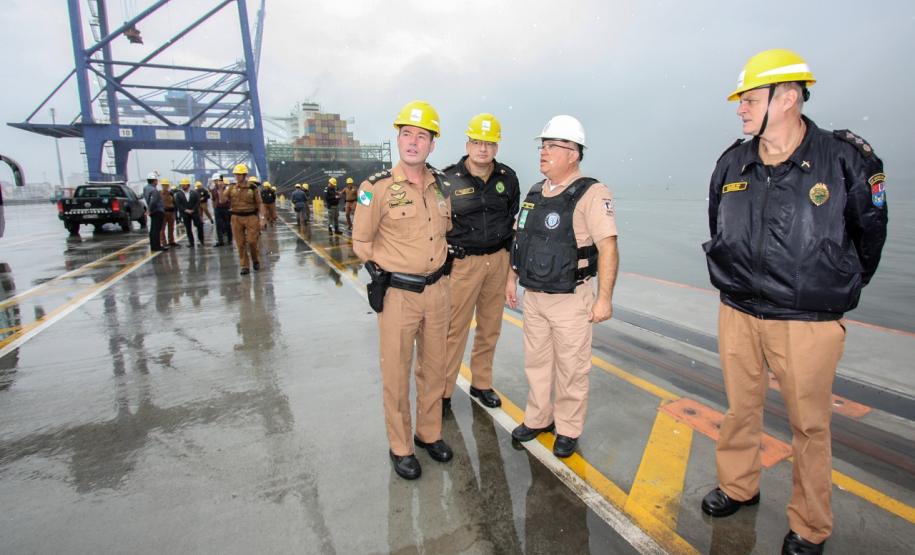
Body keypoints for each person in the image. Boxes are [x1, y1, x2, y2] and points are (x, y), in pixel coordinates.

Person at [700, 49, 888, 555]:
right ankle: (739, 485)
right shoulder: (732, 161)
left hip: (806, 320)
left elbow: (870, 232)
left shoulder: (845, 159)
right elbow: (719, 223)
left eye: (749, 99)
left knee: (809, 425)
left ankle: (809, 524)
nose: (739, 109)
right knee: (741, 409)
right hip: (739, 311)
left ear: (787, 98)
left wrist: (836, 283)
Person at [505, 115, 619, 459]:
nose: (544, 152)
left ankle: (568, 428)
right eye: (543, 145)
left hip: (571, 298)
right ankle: (539, 418)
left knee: (572, 368)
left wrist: (604, 299)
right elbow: (520, 237)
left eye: (553, 146)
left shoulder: (592, 193)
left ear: (574, 153)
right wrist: (511, 277)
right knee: (536, 364)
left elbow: (609, 246)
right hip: (535, 295)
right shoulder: (536, 191)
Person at [352, 100, 454, 480]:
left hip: (439, 292)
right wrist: (382, 275)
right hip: (399, 295)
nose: (413, 142)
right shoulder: (375, 188)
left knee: (434, 369)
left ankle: (429, 434)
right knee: (396, 374)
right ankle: (400, 446)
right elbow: (360, 242)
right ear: (398, 138)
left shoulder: (442, 185)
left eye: (421, 136)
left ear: (432, 144)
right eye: (406, 134)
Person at [441, 113, 520, 412]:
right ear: (467, 144)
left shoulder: (508, 178)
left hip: (498, 261)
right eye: (477, 142)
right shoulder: (448, 178)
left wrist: (512, 270)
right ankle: (443, 391)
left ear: (496, 147)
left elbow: (513, 223)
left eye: (489, 143)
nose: (483, 149)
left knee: (490, 327)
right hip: (463, 264)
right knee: (454, 330)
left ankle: (482, 384)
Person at [227, 164, 263, 275]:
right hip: (236, 217)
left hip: (251, 216)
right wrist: (219, 188)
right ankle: (244, 266)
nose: (237, 176)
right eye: (236, 174)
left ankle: (255, 259)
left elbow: (259, 203)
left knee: (252, 241)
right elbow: (222, 200)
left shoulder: (253, 188)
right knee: (240, 243)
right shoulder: (231, 187)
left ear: (244, 175)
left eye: (239, 174)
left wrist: (262, 218)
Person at [175, 177, 204, 247]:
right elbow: (178, 204)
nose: (183, 186)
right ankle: (191, 242)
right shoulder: (178, 194)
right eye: (182, 185)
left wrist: (193, 210)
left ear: (188, 185)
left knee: (199, 226)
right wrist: (185, 210)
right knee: (188, 228)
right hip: (185, 214)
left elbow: (197, 202)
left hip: (194, 213)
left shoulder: (194, 193)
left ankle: (201, 240)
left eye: (184, 185)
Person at [142, 171, 167, 252]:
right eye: (156, 180)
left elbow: (149, 200)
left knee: (153, 229)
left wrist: (149, 210)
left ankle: (153, 246)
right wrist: (150, 210)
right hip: (157, 211)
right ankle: (157, 246)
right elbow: (153, 201)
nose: (157, 182)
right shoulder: (154, 190)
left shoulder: (145, 188)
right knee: (156, 230)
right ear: (154, 181)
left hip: (153, 211)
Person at [210, 173, 232, 247]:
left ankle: (230, 240)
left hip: (227, 208)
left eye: (218, 180)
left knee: (227, 224)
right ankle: (220, 241)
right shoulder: (213, 190)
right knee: (218, 225)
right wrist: (214, 208)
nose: (217, 182)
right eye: (215, 181)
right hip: (218, 209)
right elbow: (213, 199)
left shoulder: (227, 189)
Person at [159, 179, 180, 248]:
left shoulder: (171, 193)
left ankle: (171, 241)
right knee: (162, 229)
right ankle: (163, 243)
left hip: (171, 212)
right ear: (162, 186)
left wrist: (175, 211)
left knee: (171, 228)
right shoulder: (159, 194)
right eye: (164, 185)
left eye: (166, 185)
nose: (165, 187)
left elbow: (174, 202)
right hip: (163, 213)